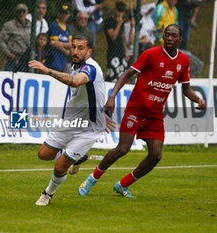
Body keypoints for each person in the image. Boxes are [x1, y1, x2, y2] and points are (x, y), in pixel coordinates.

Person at [78, 24, 206, 198]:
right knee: (122, 149)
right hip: (136, 110)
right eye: (167, 34)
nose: (169, 38)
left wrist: (198, 99)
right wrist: (112, 96)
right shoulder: (151, 54)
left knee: (156, 156)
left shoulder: (183, 61)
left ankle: (123, 185)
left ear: (180, 39)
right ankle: (92, 179)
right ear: (163, 36)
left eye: (173, 35)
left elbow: (186, 89)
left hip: (155, 115)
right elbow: (127, 73)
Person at [29, 34, 114, 206]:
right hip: (71, 121)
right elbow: (94, 93)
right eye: (73, 47)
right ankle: (77, 158)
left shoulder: (90, 68)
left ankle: (47, 194)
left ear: (89, 51)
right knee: (43, 154)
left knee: (60, 166)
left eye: (80, 48)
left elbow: (75, 82)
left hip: (89, 129)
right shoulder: (76, 66)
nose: (75, 51)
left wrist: (47, 70)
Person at [0, 3, 31, 72]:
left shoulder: (31, 25)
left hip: (26, 60)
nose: (21, 13)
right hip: (12, 59)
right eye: (19, 11)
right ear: (16, 12)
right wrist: (8, 53)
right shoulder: (9, 25)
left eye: (23, 11)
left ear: (27, 12)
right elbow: (0, 40)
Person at [104, 1, 129, 82]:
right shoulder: (109, 21)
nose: (120, 13)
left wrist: (126, 51)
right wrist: (119, 24)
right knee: (112, 75)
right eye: (118, 10)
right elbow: (113, 37)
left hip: (121, 51)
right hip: (112, 52)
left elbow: (123, 37)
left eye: (121, 11)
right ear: (115, 10)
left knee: (122, 74)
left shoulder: (122, 23)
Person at [47, 4, 72, 72]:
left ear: (69, 15)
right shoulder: (54, 25)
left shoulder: (67, 27)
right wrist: (66, 51)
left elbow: (70, 44)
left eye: (66, 13)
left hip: (63, 62)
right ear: (58, 13)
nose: (64, 15)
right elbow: (55, 44)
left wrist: (58, 43)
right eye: (62, 13)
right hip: (54, 60)